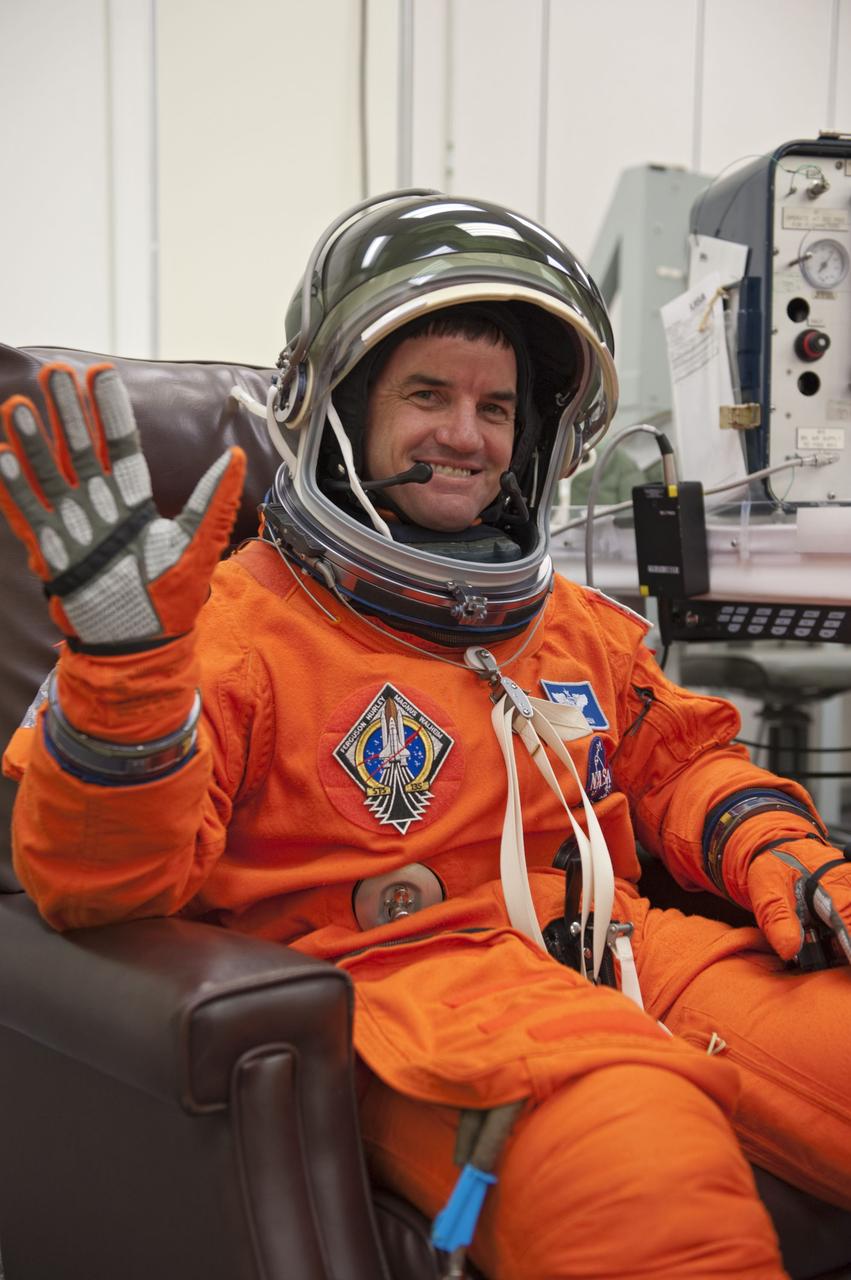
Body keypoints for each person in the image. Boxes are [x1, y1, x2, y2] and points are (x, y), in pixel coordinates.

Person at [2, 190, 850, 1280]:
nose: (466, 434)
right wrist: (122, 675)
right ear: (342, 409)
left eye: (496, 407)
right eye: (427, 395)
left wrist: (777, 847)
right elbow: (94, 884)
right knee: (640, 1170)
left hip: (617, 950)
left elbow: (681, 760)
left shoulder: (571, 630)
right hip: (405, 985)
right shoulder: (223, 632)